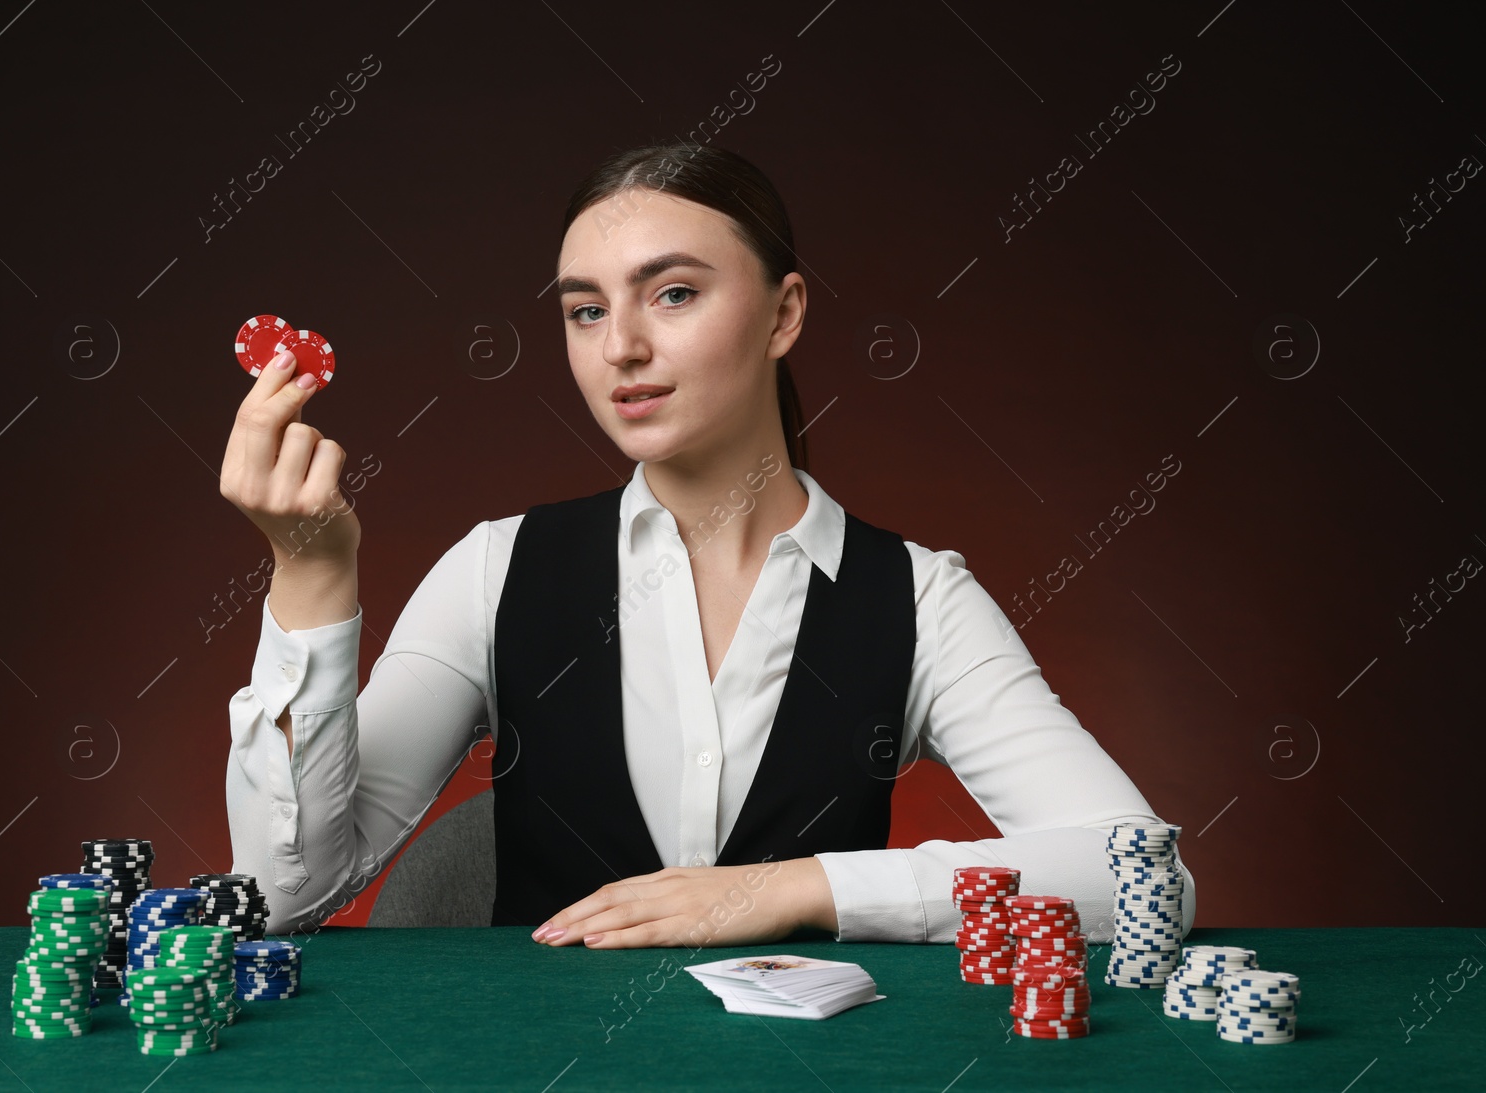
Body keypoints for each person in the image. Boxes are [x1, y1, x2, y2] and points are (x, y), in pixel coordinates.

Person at [219, 142, 1195, 950]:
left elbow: (1144, 875)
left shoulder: (918, 598)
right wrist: (310, 571)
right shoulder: (494, 569)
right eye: (586, 310)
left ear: (784, 313)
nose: (620, 349)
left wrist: (804, 887)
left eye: (673, 294)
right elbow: (282, 892)